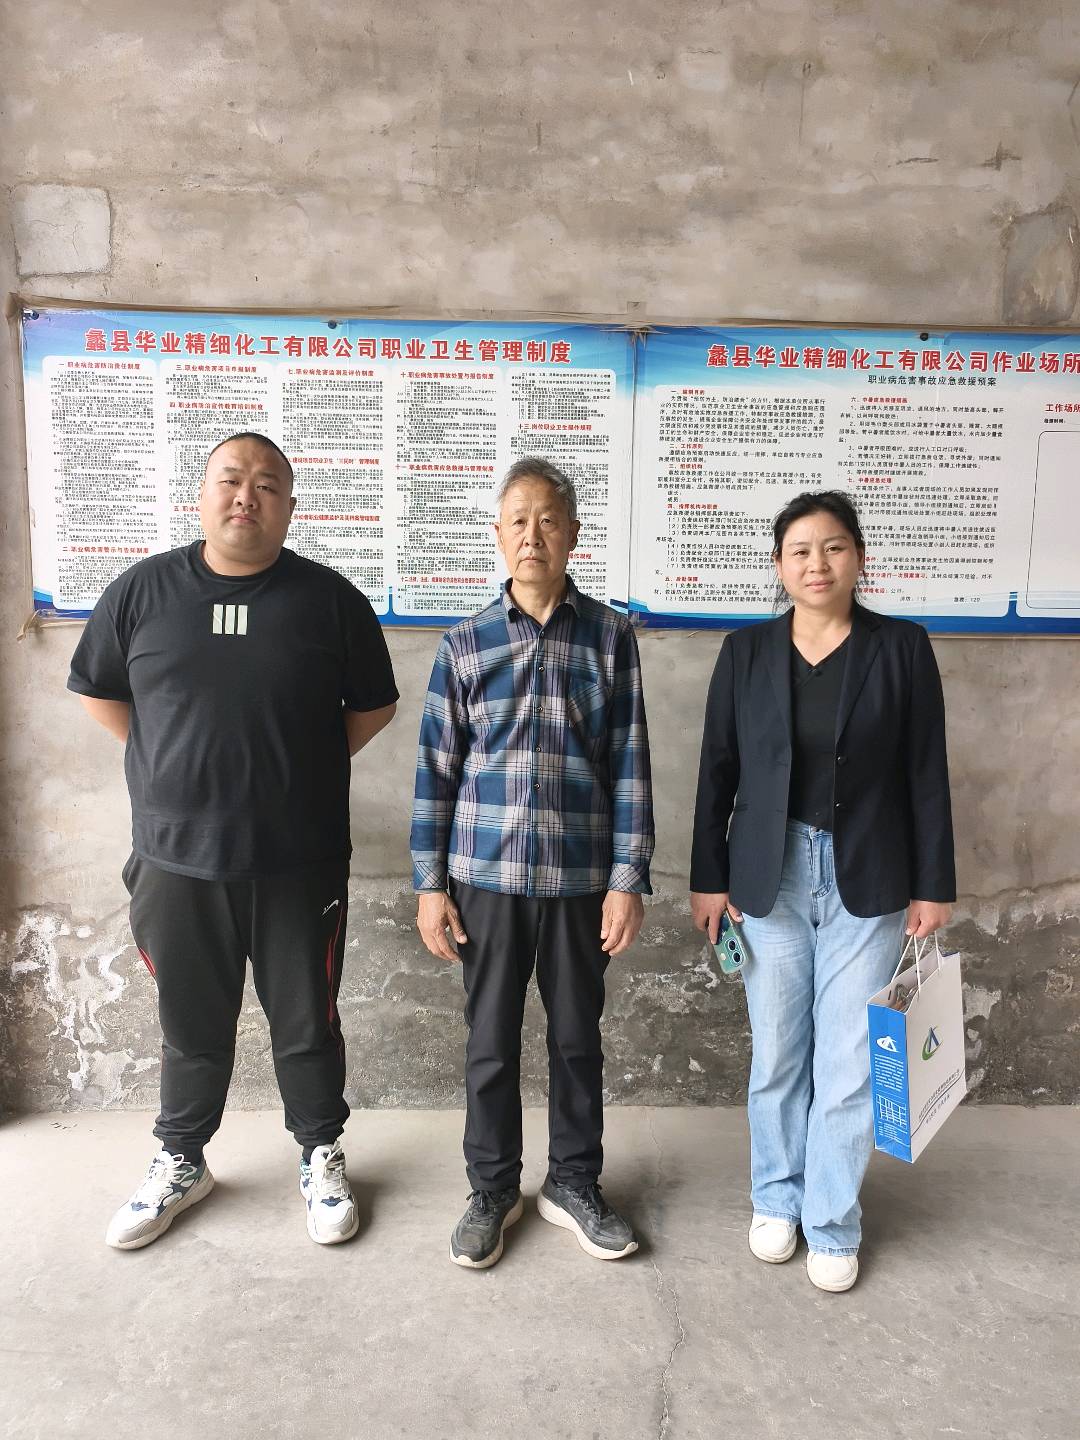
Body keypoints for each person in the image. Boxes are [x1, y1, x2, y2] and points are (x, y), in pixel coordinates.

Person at [68, 432, 398, 1250]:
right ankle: (182, 1159)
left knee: (307, 1022)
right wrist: (168, 764)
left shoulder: (330, 600)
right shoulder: (141, 592)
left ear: (289, 506)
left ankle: (321, 1153)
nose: (247, 495)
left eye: (267, 484)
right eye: (231, 479)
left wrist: (297, 768)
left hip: (298, 861)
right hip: (174, 859)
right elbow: (101, 691)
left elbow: (373, 707)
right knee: (190, 1024)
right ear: (202, 493)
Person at [690, 490, 954, 1293]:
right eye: (800, 550)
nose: (817, 563)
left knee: (849, 1061)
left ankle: (832, 1221)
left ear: (859, 558)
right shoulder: (745, 652)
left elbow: (927, 772)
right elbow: (717, 771)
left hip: (869, 875)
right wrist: (708, 878)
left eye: (834, 547)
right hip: (767, 877)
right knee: (778, 1052)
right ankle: (777, 1197)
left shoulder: (901, 648)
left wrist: (933, 885)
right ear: (779, 565)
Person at [411, 457, 654, 1269]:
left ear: (573, 534)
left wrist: (627, 879)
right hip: (485, 880)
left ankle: (574, 1183)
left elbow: (629, 764)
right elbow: (436, 772)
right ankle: (492, 1189)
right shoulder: (465, 643)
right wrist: (430, 886)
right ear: (498, 534)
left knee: (577, 1041)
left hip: (580, 883)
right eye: (518, 520)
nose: (532, 536)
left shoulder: (610, 638)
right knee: (489, 1042)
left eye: (548, 520)